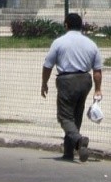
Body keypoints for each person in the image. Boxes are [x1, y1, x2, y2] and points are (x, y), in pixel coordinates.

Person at [41, 13, 103, 162]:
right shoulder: (91, 44)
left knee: (64, 117)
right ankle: (69, 152)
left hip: (67, 81)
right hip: (85, 81)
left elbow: (48, 65)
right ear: (81, 26)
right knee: (76, 115)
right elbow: (97, 71)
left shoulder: (59, 42)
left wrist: (44, 83)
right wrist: (97, 89)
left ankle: (79, 139)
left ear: (66, 25)